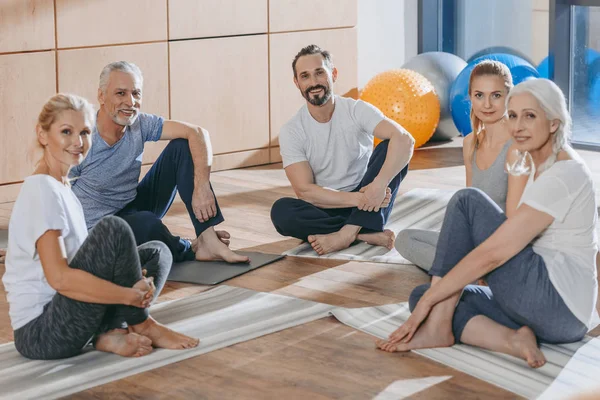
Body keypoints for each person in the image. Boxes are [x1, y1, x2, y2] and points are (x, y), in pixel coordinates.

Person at [376, 78, 599, 369]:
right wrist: (431, 299)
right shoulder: (535, 160)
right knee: (423, 296)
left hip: (554, 303)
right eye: (514, 115)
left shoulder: (564, 173)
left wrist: (434, 298)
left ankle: (438, 326)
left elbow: (495, 252)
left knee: (467, 202)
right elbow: (509, 225)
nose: (518, 126)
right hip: (551, 314)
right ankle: (513, 340)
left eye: (530, 116)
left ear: (554, 123)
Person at [2, 94, 199, 360]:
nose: (78, 142)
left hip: (73, 314)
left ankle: (108, 333)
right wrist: (127, 294)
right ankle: (142, 324)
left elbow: (80, 262)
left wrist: (126, 272)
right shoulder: (41, 190)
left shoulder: (64, 187)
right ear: (42, 134)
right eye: (66, 132)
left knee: (157, 253)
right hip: (42, 333)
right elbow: (60, 278)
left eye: (85, 132)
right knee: (113, 228)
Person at [69, 61, 248, 264]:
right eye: (121, 93)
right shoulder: (81, 138)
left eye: (136, 94)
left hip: (132, 206)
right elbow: (57, 194)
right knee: (147, 224)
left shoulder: (140, 123)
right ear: (101, 96)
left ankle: (208, 240)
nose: (130, 102)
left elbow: (198, 133)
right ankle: (189, 248)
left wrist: (202, 186)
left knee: (182, 146)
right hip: (99, 231)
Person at [270, 45, 415, 255]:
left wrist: (378, 186)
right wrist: (362, 200)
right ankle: (363, 233)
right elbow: (305, 191)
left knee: (390, 148)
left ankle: (345, 234)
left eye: (319, 72)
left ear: (333, 74)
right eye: (305, 76)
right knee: (281, 212)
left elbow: (405, 140)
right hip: (332, 203)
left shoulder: (356, 110)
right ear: (297, 83)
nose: (313, 82)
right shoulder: (292, 131)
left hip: (369, 192)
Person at [395, 60, 527, 271]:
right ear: (470, 97)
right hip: (473, 240)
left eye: (496, 95)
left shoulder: (518, 145)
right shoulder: (469, 143)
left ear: (509, 96)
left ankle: (469, 271)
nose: (487, 104)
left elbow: (516, 219)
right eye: (479, 95)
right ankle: (470, 272)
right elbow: (468, 207)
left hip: (502, 244)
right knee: (404, 239)